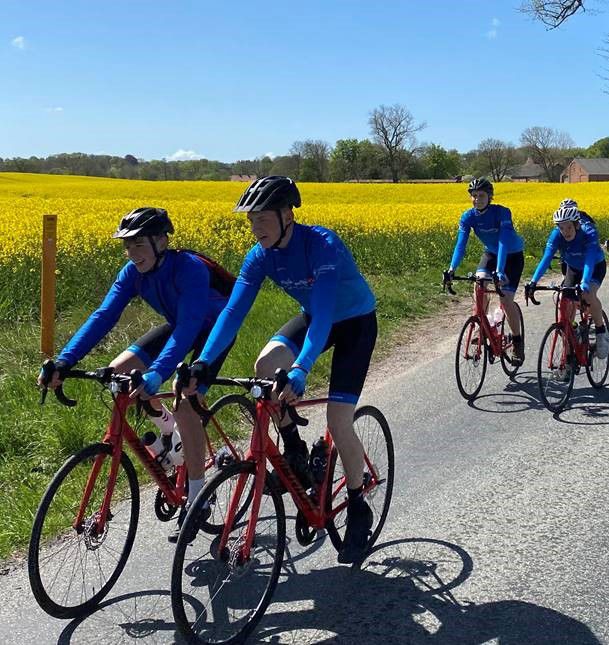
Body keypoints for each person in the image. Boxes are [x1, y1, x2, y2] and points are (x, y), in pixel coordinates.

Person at [184, 176, 378, 564]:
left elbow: (325, 311)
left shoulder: (322, 244)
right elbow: (233, 313)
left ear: (288, 215)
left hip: (354, 322)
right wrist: (203, 362)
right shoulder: (260, 256)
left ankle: (358, 503)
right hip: (315, 318)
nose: (256, 228)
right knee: (265, 365)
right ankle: (295, 451)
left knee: (339, 420)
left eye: (263, 219)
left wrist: (302, 368)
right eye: (251, 220)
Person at [37, 207, 235, 541]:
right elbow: (104, 316)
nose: (131, 253)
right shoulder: (132, 272)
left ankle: (199, 495)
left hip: (213, 330)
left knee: (186, 402)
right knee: (119, 374)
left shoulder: (189, 268)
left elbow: (189, 327)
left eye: (139, 244)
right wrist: (64, 362)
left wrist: (157, 374)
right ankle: (171, 437)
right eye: (127, 246)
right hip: (179, 326)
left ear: (162, 241)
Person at [443, 177, 525, 363]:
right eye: (474, 196)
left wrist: (500, 270)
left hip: (512, 256)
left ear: (490, 196)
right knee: (479, 284)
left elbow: (503, 241)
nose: (477, 199)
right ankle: (481, 325)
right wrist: (451, 268)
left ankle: (517, 341)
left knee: (505, 300)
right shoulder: (468, 217)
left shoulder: (502, 212)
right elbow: (461, 245)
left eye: (481, 195)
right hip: (491, 254)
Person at [524, 199, 609, 359]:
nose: (565, 231)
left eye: (569, 227)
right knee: (563, 299)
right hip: (573, 268)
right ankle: (571, 337)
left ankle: (600, 332)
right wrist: (533, 282)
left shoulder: (588, 232)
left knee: (588, 294)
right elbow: (546, 259)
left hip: (594, 267)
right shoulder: (556, 235)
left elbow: (590, 259)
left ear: (576, 224)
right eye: (561, 227)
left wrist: (584, 281)